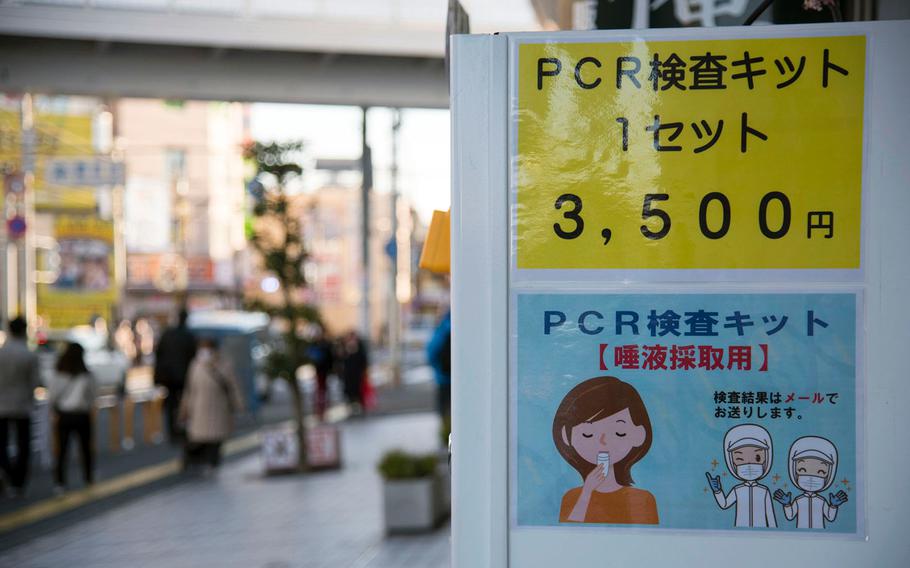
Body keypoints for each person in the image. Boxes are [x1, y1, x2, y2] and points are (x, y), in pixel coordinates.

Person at [553, 376, 658, 524]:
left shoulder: (642, 499)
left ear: (639, 434)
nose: (603, 440)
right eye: (587, 434)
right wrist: (587, 492)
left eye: (619, 432)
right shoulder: (571, 498)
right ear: (566, 436)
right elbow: (568, 534)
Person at [179, 338, 245, 472]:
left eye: (207, 348)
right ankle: (197, 461)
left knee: (215, 439)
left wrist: (239, 404)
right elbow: (189, 389)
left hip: (218, 408)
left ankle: (212, 463)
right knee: (198, 438)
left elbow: (233, 386)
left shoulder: (224, 364)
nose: (204, 352)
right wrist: (184, 409)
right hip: (199, 408)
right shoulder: (195, 365)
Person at [706, 423, 777, 528]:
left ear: (766, 458)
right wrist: (718, 491)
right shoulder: (737, 490)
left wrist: (774, 533)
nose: (748, 464)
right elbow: (724, 504)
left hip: (762, 532)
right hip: (739, 531)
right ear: (732, 462)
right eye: (740, 459)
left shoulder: (764, 491)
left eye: (757, 458)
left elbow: (770, 515)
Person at [0, 317, 40, 495]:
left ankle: (7, 472)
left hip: (1, 404)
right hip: (23, 404)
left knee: (2, 443)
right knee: (24, 444)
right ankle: (19, 480)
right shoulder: (29, 354)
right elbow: (35, 382)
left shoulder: (2, 353)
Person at [49, 342, 97, 490]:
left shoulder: (58, 374)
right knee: (85, 449)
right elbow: (92, 397)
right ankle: (88, 478)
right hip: (82, 415)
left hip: (64, 415)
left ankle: (60, 482)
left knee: (62, 450)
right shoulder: (87, 375)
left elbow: (53, 396)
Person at [774, 436, 848, 529]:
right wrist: (787, 504)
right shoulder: (798, 500)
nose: (811, 478)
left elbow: (830, 517)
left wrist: (833, 506)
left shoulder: (822, 501)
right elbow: (790, 516)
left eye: (821, 472)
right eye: (802, 470)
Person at [154, 309, 197, 444]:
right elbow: (193, 357)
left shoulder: (168, 334)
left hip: (168, 377)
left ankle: (173, 431)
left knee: (171, 404)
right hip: (184, 377)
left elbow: (158, 354)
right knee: (184, 403)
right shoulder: (189, 336)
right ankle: (183, 429)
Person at [426, 310, 451, 420]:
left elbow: (431, 351)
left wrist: (437, 369)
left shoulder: (442, 329)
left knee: (445, 411)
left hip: (443, 377)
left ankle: (446, 434)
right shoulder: (464, 328)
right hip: (463, 380)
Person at [308, 327, 335, 420]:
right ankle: (319, 410)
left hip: (324, 371)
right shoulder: (314, 344)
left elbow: (331, 358)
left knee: (323, 392)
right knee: (319, 392)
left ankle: (324, 410)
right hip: (319, 371)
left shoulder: (326, 344)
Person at [339, 331, 368, 413]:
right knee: (349, 390)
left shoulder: (360, 347)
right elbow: (341, 359)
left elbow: (363, 360)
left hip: (357, 373)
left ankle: (360, 405)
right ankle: (351, 404)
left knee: (358, 389)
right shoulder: (345, 347)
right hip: (348, 373)